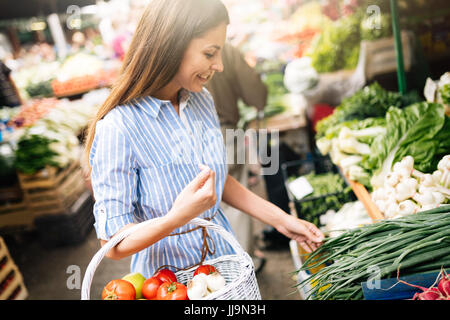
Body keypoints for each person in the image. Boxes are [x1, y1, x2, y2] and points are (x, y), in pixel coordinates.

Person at [84, 0, 324, 280]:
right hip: (169, 284)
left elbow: (216, 181)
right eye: (210, 53)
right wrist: (177, 217)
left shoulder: (200, 100)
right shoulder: (119, 127)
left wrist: (282, 220)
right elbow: (113, 243)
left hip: (226, 266)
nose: (219, 65)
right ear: (171, 45)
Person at [206, 43, 268, 270]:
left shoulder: (171, 47)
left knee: (208, 207)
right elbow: (256, 95)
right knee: (235, 205)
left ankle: (218, 271)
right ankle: (240, 271)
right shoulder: (225, 49)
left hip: (182, 138)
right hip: (223, 132)